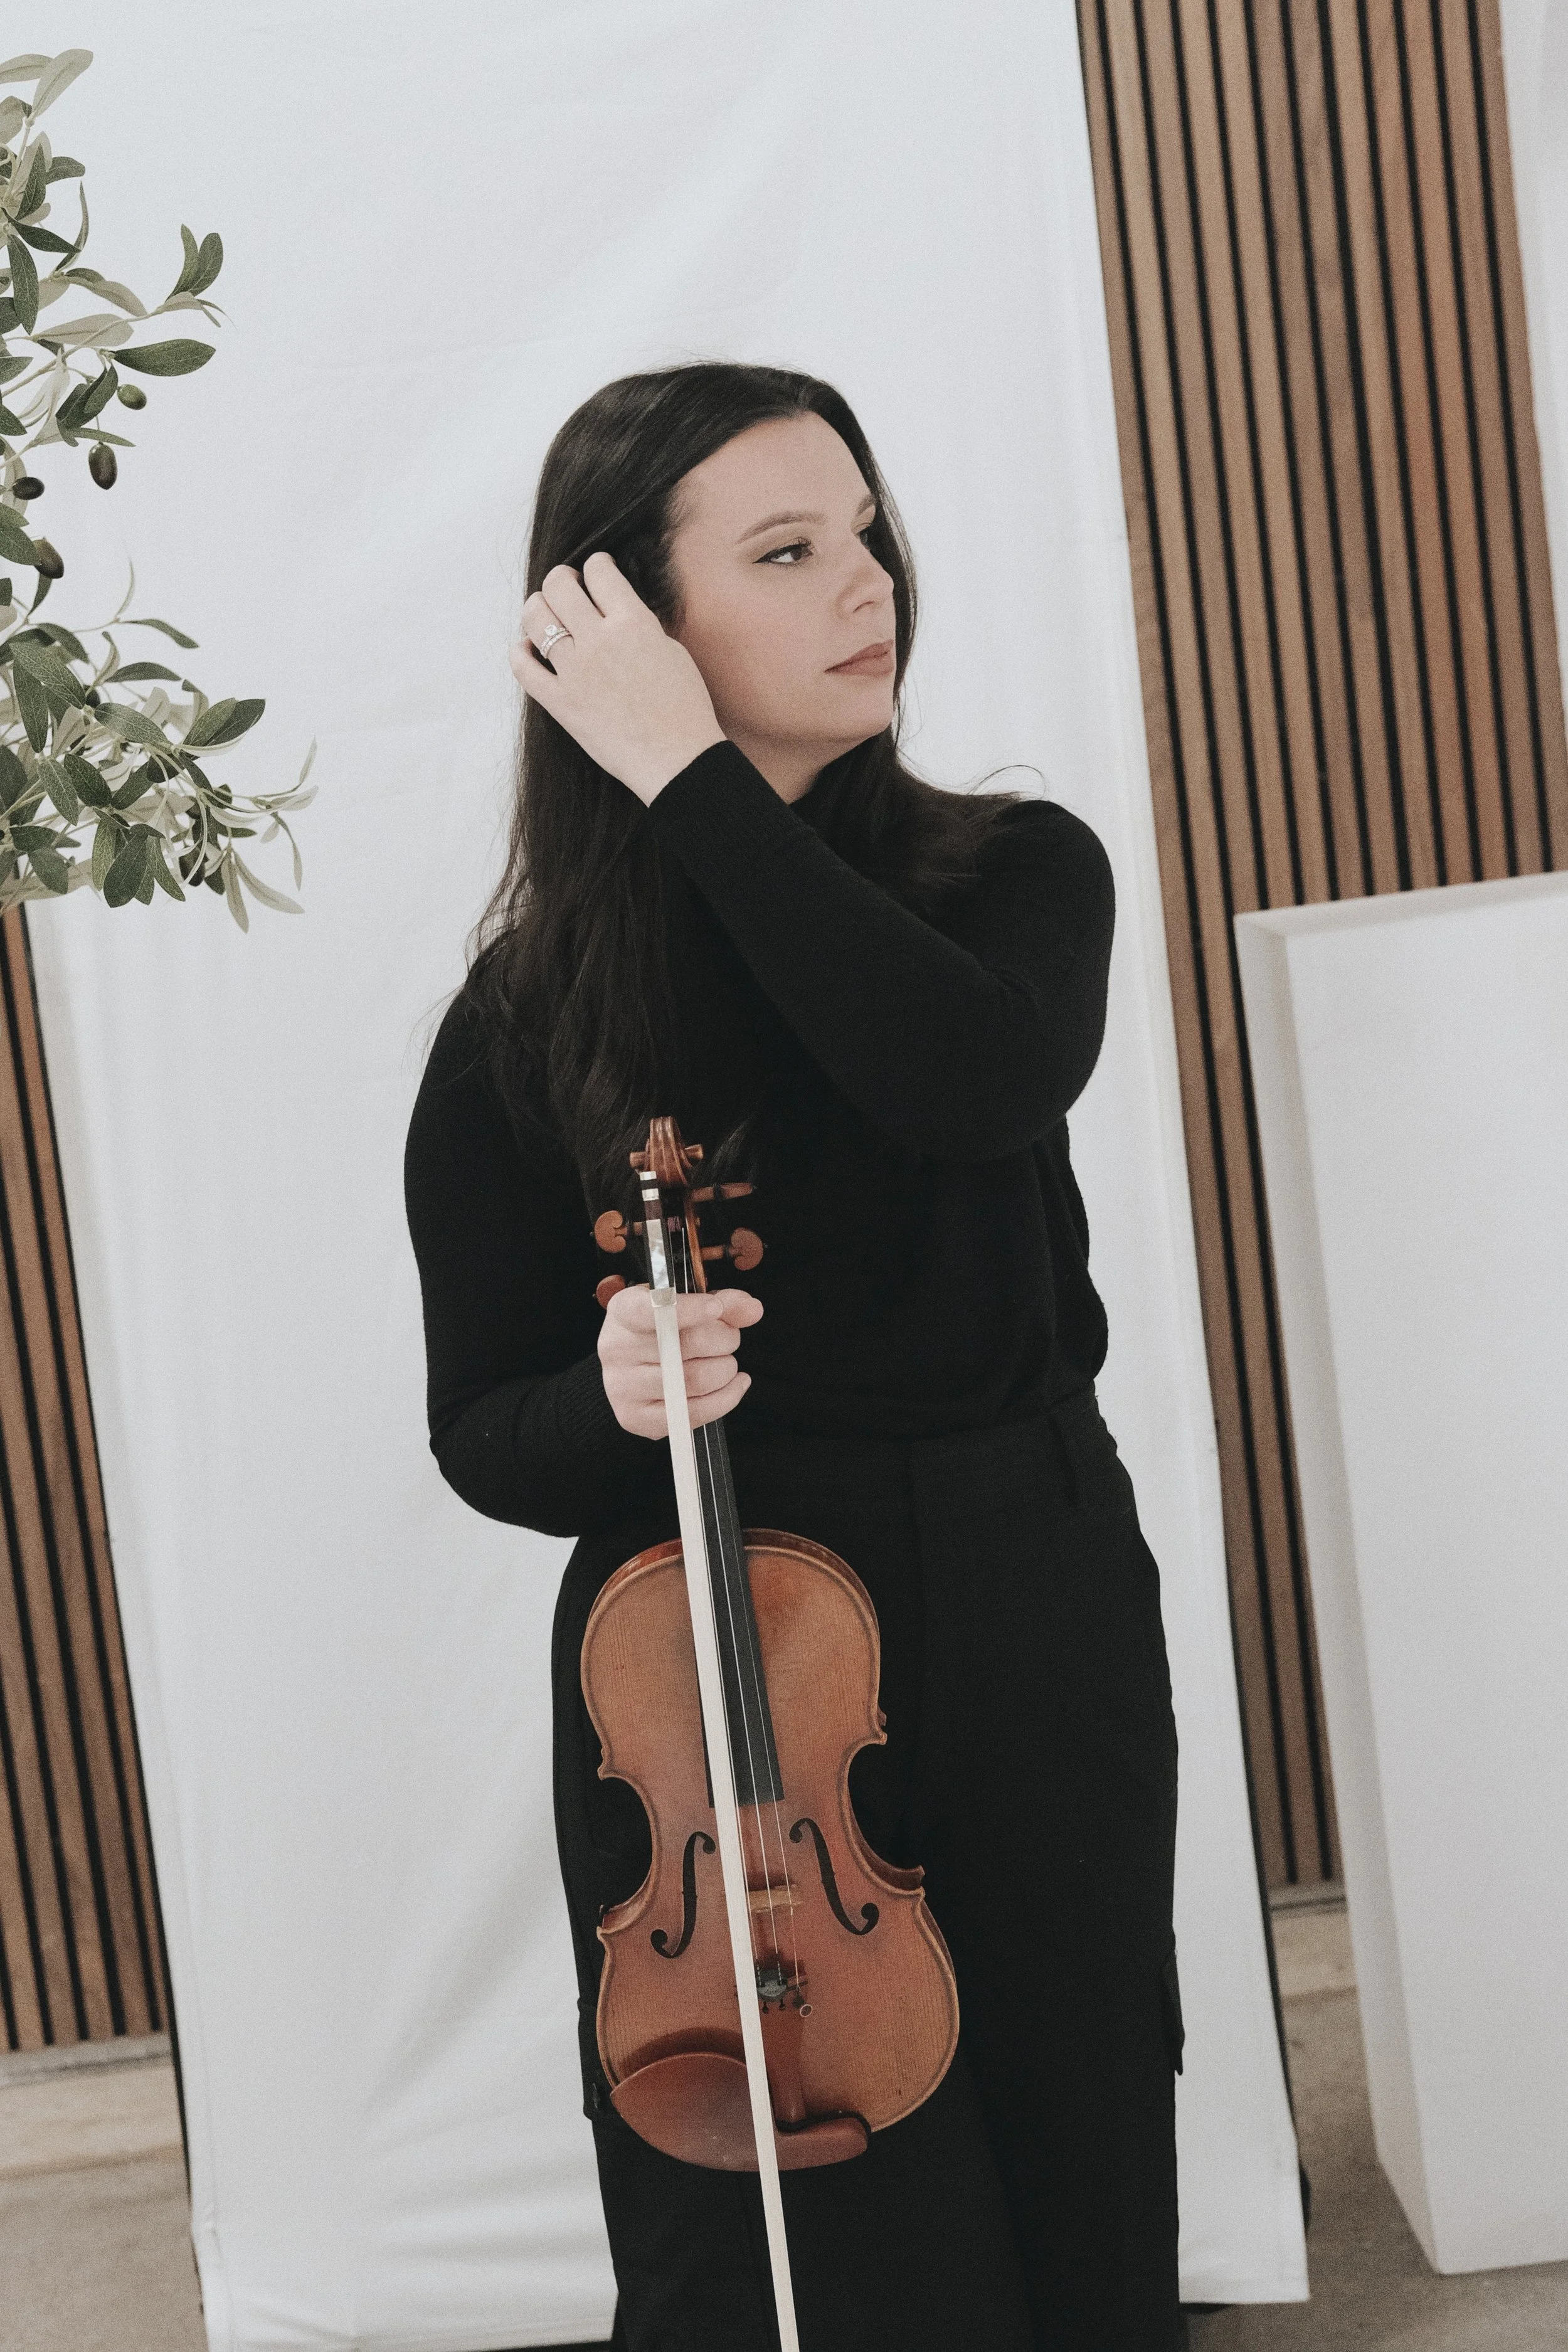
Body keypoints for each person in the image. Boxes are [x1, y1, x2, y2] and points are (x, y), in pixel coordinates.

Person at [403, 361, 1184, 2351]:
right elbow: (482, 1428)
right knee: (767, 2215)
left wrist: (692, 785)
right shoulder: (527, 1018)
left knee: (1080, 2113)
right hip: (703, 1673)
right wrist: (610, 1401)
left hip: (1025, 1585)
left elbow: (963, 1076)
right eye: (782, 549)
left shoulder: (1018, 878)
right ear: (629, 624)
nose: (868, 579)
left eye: (862, 528)